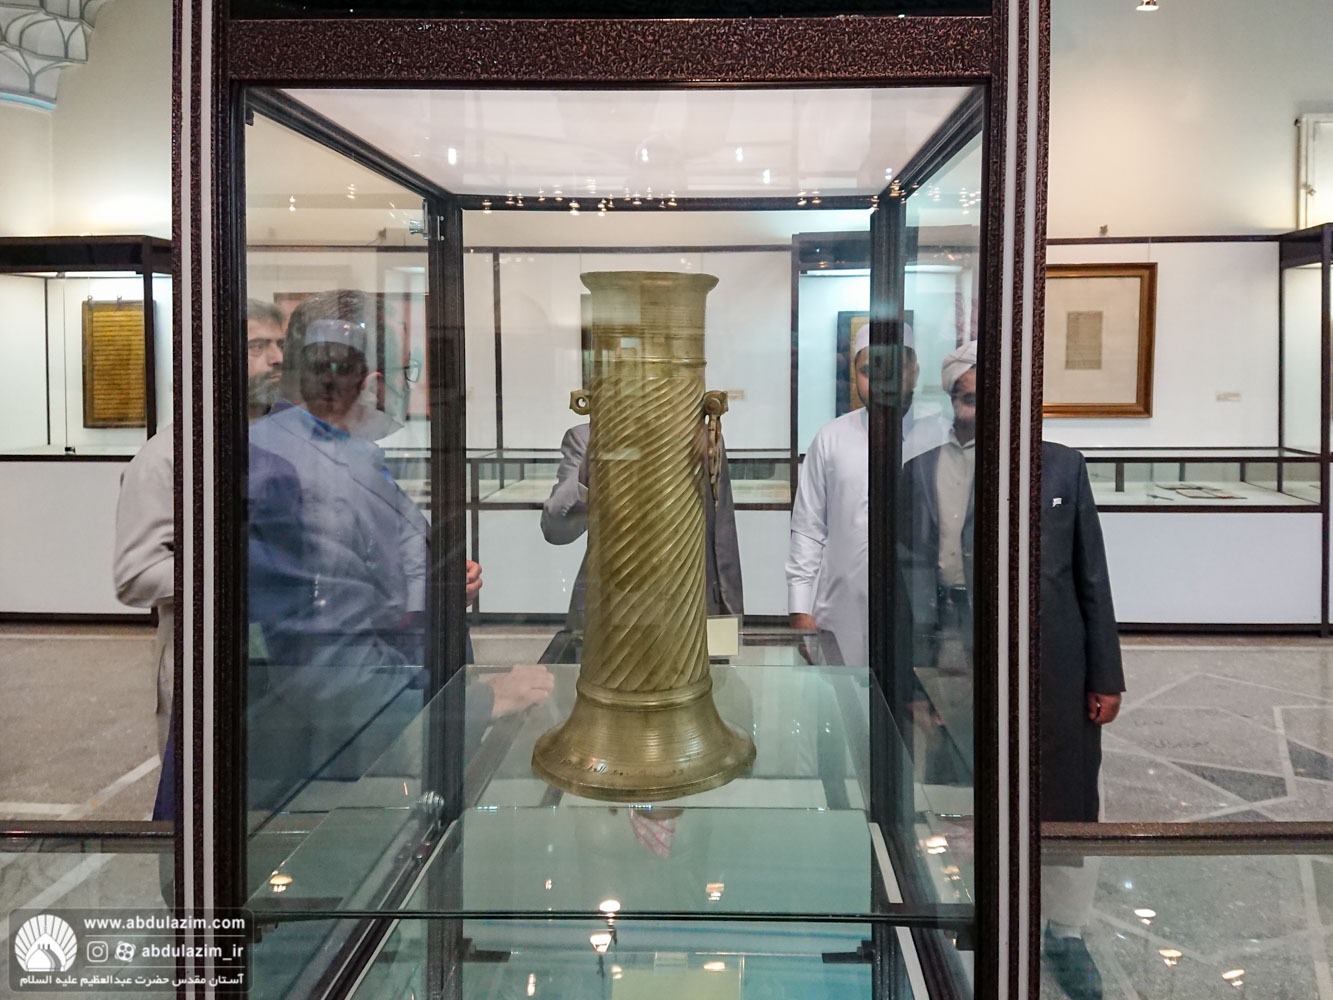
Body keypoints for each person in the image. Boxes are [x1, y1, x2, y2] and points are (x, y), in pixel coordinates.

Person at [114, 298, 287, 754]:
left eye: (279, 345)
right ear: (216, 360)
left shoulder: (285, 441)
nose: (276, 359)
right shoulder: (167, 457)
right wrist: (240, 573)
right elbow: (135, 575)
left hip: (284, 655)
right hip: (208, 657)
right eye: (257, 347)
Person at [787, 324, 949, 667]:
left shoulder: (940, 437)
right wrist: (800, 608)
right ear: (855, 375)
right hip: (842, 610)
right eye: (867, 371)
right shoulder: (830, 439)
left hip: (925, 611)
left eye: (893, 368)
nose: (881, 381)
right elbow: (808, 529)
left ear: (914, 371)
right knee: (844, 697)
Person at [1038, 440, 1124, 1000]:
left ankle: (1066, 930)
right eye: (965, 398)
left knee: (1068, 793)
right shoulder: (925, 467)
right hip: (958, 663)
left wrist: (1105, 673)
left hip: (1058, 666)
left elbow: (1091, 572)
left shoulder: (1063, 465)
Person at [541, 421, 743, 632]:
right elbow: (555, 529)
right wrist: (591, 465)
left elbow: (722, 532)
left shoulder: (699, 433)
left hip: (688, 601)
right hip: (612, 601)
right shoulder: (588, 437)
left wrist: (731, 615)